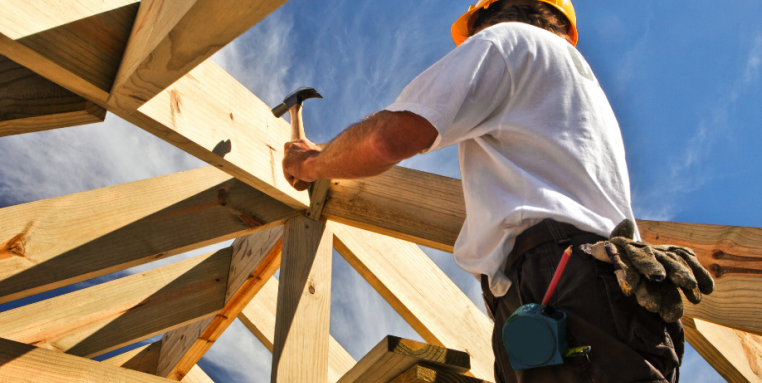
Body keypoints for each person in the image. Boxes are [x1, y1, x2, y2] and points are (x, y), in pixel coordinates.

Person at [282, 1, 686, 381]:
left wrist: (311, 162)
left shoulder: (508, 40)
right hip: (609, 292)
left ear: (489, 19)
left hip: (559, 280)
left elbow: (385, 140)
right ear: (564, 27)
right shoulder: (577, 88)